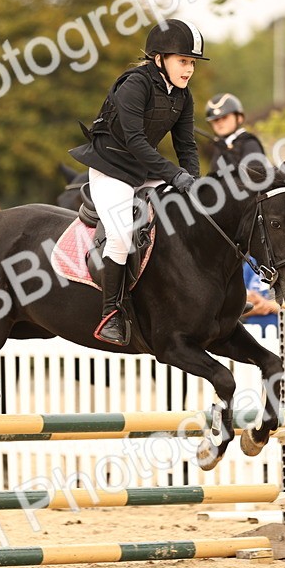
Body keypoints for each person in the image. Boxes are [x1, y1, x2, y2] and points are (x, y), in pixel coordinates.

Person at [69, 18, 207, 345]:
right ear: (159, 59)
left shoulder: (182, 96)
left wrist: (195, 183)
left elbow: (186, 146)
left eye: (192, 63)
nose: (189, 69)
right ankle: (111, 313)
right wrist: (175, 175)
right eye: (183, 61)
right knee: (120, 235)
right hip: (112, 168)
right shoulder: (135, 85)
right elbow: (135, 141)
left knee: (192, 215)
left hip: (144, 171)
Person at [204, 92, 265, 173]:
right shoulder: (218, 146)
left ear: (239, 118)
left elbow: (253, 177)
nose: (220, 123)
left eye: (225, 117)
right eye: (215, 120)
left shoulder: (250, 143)